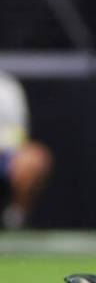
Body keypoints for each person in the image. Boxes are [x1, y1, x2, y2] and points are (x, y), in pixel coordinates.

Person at [0, 70, 51, 229]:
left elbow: (18, 133)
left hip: (5, 154)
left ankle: (15, 218)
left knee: (35, 159)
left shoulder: (6, 87)